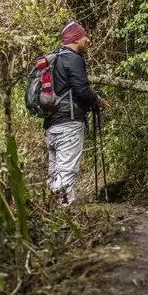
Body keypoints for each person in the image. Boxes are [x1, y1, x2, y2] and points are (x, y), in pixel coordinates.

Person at [45, 21, 107, 205]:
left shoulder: (53, 58)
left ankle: (54, 217)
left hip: (51, 125)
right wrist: (97, 99)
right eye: (84, 36)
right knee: (66, 171)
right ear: (76, 38)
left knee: (54, 171)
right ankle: (65, 216)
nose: (88, 39)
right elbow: (82, 90)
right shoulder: (73, 58)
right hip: (69, 124)